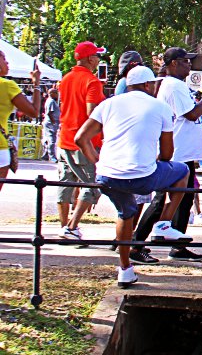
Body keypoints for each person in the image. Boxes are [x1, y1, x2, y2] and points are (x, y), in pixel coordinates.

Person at [73, 65, 193, 289]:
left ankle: (125, 269)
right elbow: (168, 154)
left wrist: (97, 161)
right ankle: (164, 224)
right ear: (148, 85)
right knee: (183, 171)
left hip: (107, 176)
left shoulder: (107, 104)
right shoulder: (160, 107)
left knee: (125, 212)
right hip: (142, 176)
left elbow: (81, 138)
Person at [133, 47, 202, 262]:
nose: (189, 65)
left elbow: (197, 111)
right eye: (185, 61)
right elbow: (192, 115)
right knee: (163, 199)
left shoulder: (180, 86)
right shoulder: (173, 86)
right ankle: (136, 245)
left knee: (185, 198)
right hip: (178, 152)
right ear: (173, 63)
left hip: (187, 151)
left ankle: (178, 244)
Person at [56, 41, 107, 243]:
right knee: (93, 183)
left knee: (65, 182)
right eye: (97, 56)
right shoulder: (92, 82)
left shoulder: (66, 79)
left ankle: (64, 227)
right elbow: (91, 113)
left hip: (64, 139)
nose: (98, 59)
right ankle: (72, 226)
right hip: (84, 142)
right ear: (89, 59)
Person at [0, 53, 42, 188]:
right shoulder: (7, 86)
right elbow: (34, 112)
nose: (7, 63)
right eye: (4, 59)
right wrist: (36, 84)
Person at [41, 86, 60, 162]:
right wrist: (54, 122)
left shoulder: (50, 101)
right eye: (56, 93)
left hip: (50, 122)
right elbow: (49, 113)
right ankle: (52, 156)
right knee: (52, 140)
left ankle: (46, 155)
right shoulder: (51, 101)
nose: (57, 94)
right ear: (51, 93)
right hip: (50, 123)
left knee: (48, 139)